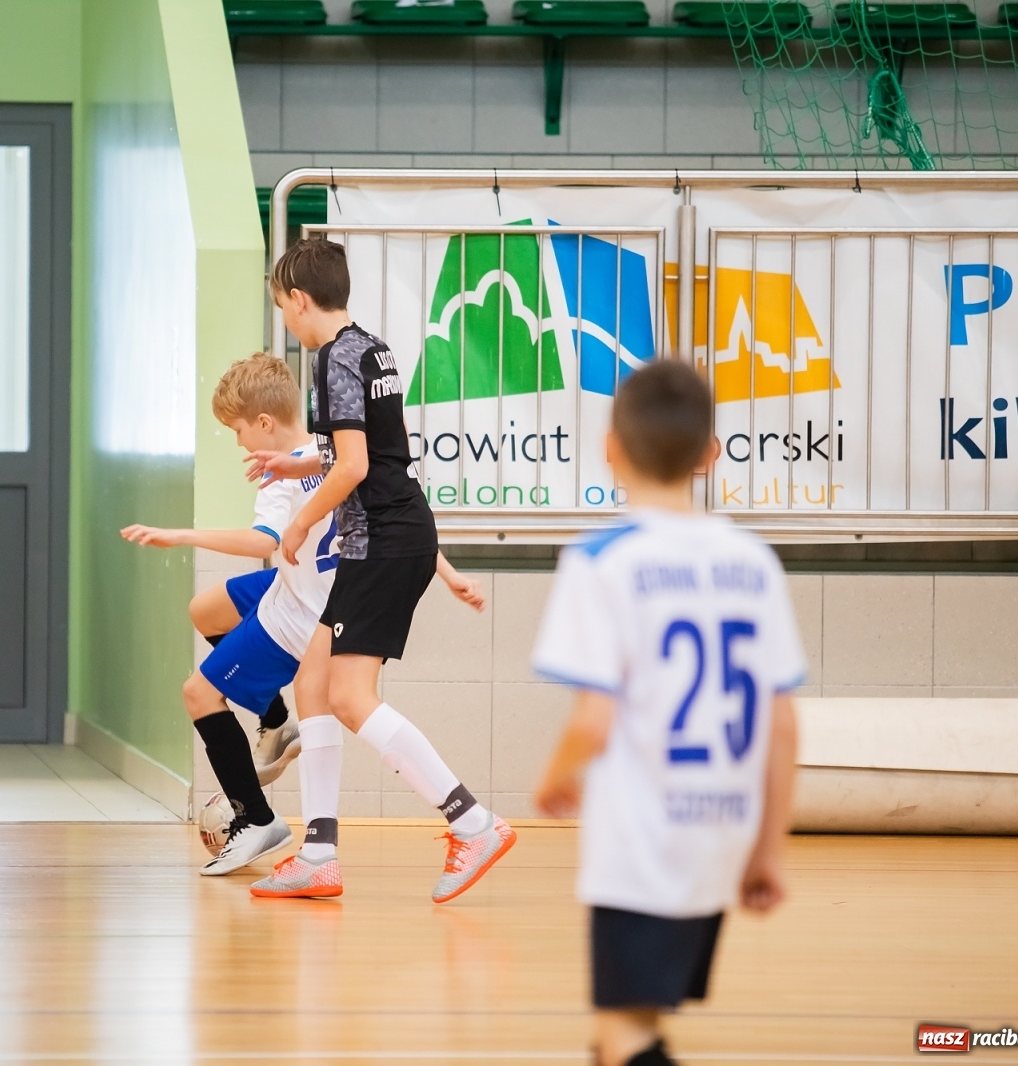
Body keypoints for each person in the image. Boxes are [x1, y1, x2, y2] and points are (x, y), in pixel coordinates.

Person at [531, 360, 803, 1066]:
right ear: (710, 452)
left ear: (610, 446)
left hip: (641, 838)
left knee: (625, 1038)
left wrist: (555, 778)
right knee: (624, 1030)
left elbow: (593, 720)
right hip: (722, 832)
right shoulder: (754, 561)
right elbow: (782, 725)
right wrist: (768, 847)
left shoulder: (602, 560)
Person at [247, 237, 511, 903]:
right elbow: (357, 450)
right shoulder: (368, 346)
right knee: (314, 682)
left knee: (347, 695)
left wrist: (302, 520)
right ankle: (319, 853)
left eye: (284, 309)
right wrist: (294, 465)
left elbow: (357, 468)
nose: (287, 322)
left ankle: (472, 822)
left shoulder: (332, 358)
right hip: (398, 532)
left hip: (381, 541)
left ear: (301, 300)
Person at [120, 352, 325, 874]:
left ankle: (256, 819)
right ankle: (275, 720)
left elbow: (264, 538)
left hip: (302, 608)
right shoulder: (325, 449)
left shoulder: (284, 475)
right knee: (206, 609)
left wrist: (183, 535)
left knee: (198, 693)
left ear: (263, 423)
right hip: (300, 581)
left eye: (237, 430)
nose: (237, 443)